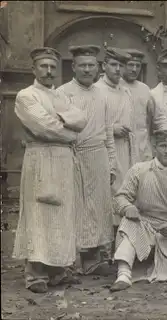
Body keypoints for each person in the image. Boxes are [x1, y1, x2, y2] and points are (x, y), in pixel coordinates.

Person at [13, 47, 87, 293]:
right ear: (34, 69)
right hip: (41, 158)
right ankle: (36, 275)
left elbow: (81, 119)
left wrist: (64, 122)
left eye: (53, 67)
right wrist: (69, 132)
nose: (48, 71)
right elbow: (43, 127)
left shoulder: (61, 96)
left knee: (63, 215)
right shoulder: (26, 96)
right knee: (39, 213)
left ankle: (59, 270)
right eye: (43, 66)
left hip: (64, 160)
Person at [110, 129, 167, 292]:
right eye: (163, 146)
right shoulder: (139, 169)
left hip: (166, 230)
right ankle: (124, 274)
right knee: (129, 222)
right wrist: (128, 207)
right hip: (142, 224)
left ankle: (155, 266)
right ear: (155, 148)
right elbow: (120, 197)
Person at [57, 45, 116, 275]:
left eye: (91, 65)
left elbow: (108, 130)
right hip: (74, 154)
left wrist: (111, 163)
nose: (87, 69)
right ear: (73, 67)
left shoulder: (102, 94)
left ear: (97, 68)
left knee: (96, 209)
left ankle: (92, 260)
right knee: (74, 208)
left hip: (98, 155)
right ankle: (70, 261)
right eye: (82, 65)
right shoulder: (63, 93)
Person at [95, 47, 137, 226]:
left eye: (121, 65)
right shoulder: (96, 90)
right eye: (113, 64)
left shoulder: (125, 91)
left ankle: (121, 238)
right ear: (104, 66)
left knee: (125, 192)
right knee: (106, 193)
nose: (118, 69)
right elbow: (91, 122)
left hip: (125, 149)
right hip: (104, 149)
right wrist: (112, 129)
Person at [122, 48, 167, 161]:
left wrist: (166, 133)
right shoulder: (115, 87)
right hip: (120, 148)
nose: (134, 69)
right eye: (130, 65)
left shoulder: (144, 89)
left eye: (138, 66)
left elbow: (159, 117)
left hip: (142, 148)